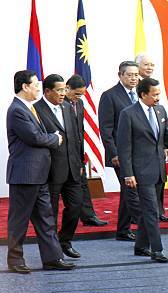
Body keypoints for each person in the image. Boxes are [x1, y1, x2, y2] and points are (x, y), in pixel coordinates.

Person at [5, 70, 76, 273]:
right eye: (36, 84)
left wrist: (50, 137)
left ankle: (53, 258)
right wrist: (55, 138)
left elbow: (37, 136)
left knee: (46, 219)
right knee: (19, 221)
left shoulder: (28, 108)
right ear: (25, 86)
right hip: (25, 175)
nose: (38, 88)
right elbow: (34, 138)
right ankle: (15, 261)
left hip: (39, 175)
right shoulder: (17, 110)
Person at [117, 77, 168, 263]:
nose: (158, 97)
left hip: (158, 171)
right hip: (140, 172)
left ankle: (140, 246)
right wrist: (128, 173)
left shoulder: (160, 110)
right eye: (154, 94)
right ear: (143, 94)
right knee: (151, 211)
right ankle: (157, 250)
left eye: (159, 93)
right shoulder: (128, 114)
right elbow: (124, 147)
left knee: (151, 209)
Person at [34, 74, 83, 259]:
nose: (63, 93)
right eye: (59, 90)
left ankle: (65, 241)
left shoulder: (67, 107)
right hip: (51, 169)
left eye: (64, 90)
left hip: (72, 168)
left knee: (76, 207)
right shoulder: (36, 110)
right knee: (50, 212)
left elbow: (76, 137)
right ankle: (53, 250)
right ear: (47, 91)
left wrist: (79, 162)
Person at [99, 61, 141, 241]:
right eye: (129, 75)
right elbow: (106, 129)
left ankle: (123, 230)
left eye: (135, 75)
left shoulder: (141, 93)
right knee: (131, 190)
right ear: (120, 75)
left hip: (138, 153)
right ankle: (145, 226)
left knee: (127, 191)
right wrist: (114, 153)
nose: (133, 78)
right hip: (120, 154)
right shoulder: (109, 96)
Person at [65, 75, 109, 227]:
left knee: (83, 184)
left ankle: (88, 216)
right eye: (76, 94)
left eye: (82, 94)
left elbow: (80, 129)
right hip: (63, 155)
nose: (79, 97)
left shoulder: (80, 103)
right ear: (67, 88)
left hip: (77, 153)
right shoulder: (60, 104)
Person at [135, 54, 168, 223]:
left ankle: (158, 211)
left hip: (156, 152)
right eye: (146, 64)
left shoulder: (158, 104)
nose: (149, 67)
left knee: (159, 182)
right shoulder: (133, 92)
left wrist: (165, 145)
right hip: (139, 155)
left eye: (152, 64)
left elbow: (161, 128)